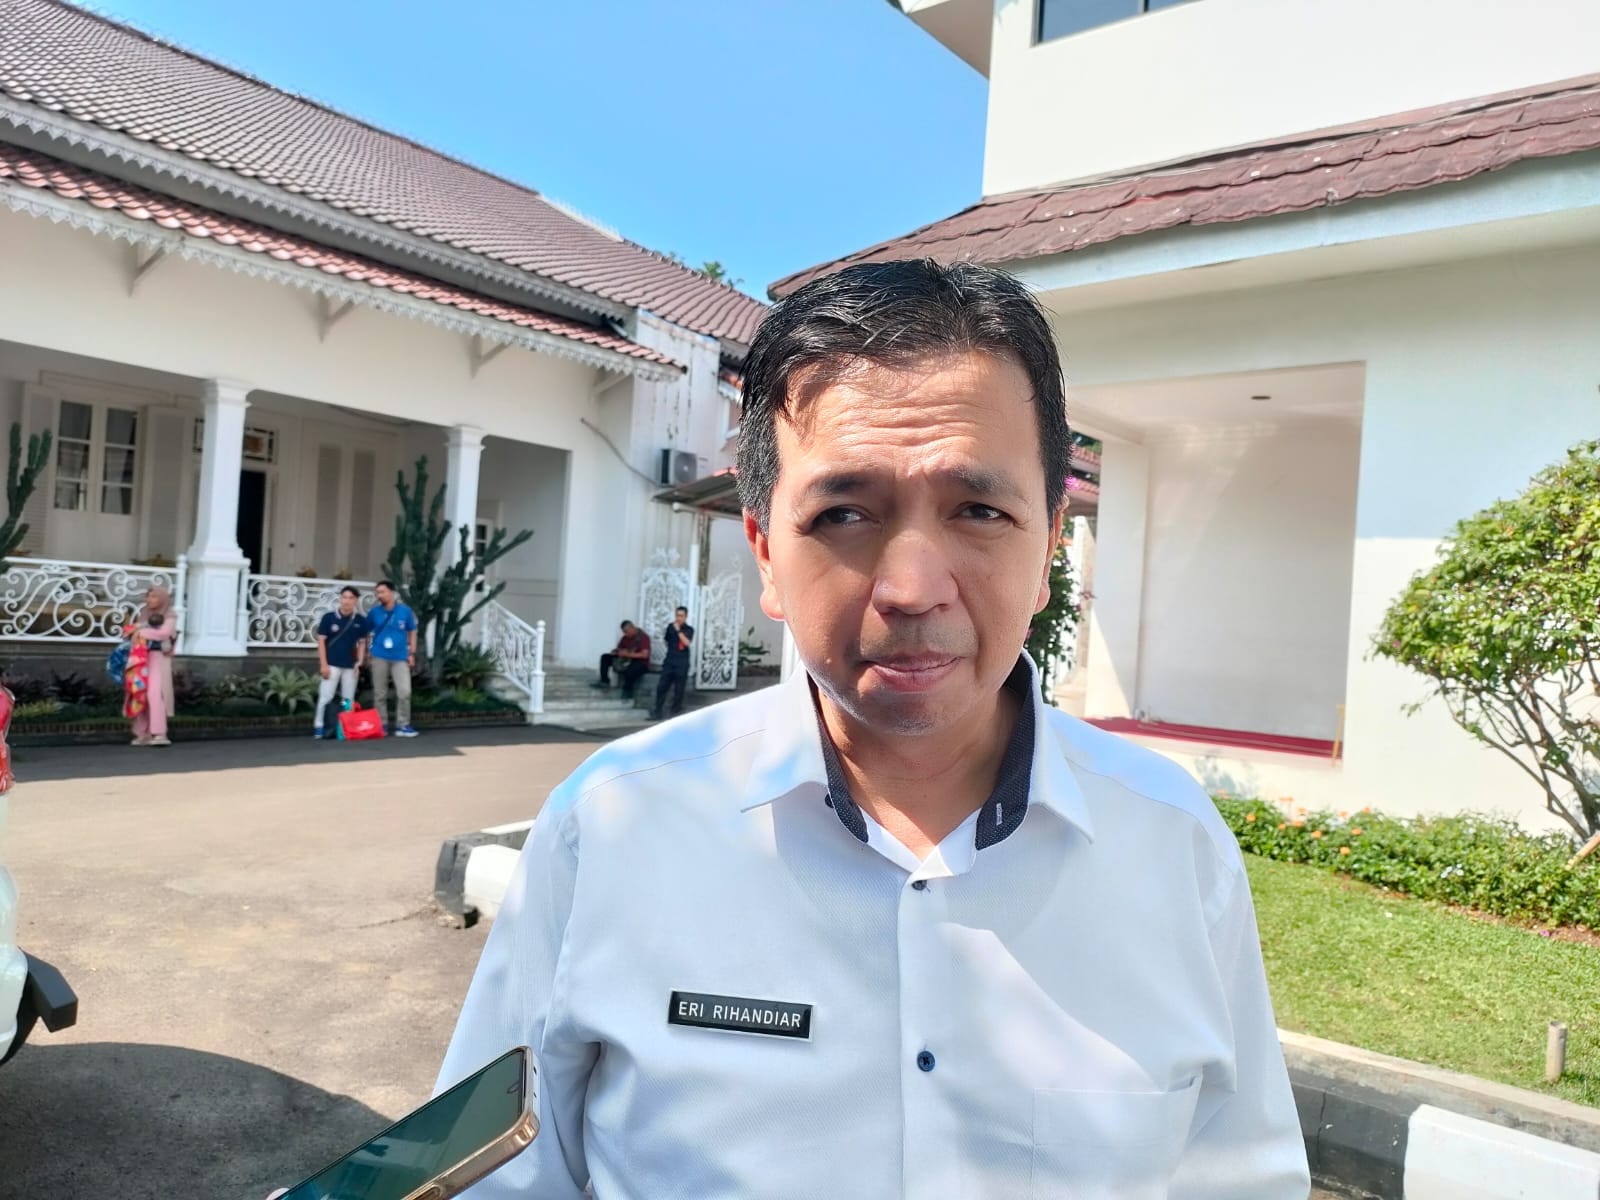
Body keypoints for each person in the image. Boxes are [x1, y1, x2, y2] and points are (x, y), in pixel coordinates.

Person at [436, 260, 1309, 1198]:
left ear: (1050, 543)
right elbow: (491, 1181)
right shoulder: (611, 827)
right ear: (764, 549)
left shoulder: (1172, 845)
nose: (912, 588)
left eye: (979, 510)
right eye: (844, 513)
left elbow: (1240, 1181)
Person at [124, 585, 177, 747]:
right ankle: (143, 733)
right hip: (141, 657)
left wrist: (140, 632)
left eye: (154, 596)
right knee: (140, 692)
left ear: (162, 598)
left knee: (155, 693)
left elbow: (163, 633)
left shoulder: (169, 615)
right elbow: (131, 631)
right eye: (148, 596)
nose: (149, 600)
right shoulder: (145, 613)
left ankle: (160, 733)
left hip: (159, 658)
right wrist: (133, 631)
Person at [314, 586, 369, 739]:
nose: (347, 601)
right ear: (340, 599)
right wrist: (323, 665)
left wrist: (359, 662)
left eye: (351, 598)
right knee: (326, 696)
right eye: (344, 597)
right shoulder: (329, 618)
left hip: (350, 666)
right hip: (331, 664)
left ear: (355, 600)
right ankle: (319, 726)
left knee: (347, 700)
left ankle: (345, 727)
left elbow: (362, 643)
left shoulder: (360, 621)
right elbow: (321, 642)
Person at [366, 580, 419, 738]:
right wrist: (367, 651)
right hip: (379, 655)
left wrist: (412, 652)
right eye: (377, 592)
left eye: (382, 592)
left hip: (400, 657)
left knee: (404, 691)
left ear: (392, 593)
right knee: (379, 693)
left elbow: (412, 631)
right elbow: (366, 631)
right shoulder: (374, 612)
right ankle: (381, 724)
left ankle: (403, 725)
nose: (379, 595)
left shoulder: (405, 611)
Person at [647, 606, 693, 720]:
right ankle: (658, 711)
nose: (678, 618)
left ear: (686, 617)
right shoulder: (670, 627)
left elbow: (686, 642)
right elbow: (667, 641)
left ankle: (675, 711)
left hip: (682, 662)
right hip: (670, 661)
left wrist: (678, 630)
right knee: (662, 686)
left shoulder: (689, 629)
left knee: (679, 689)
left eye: (681, 616)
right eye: (677, 615)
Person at [590, 620, 650, 700]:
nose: (625, 634)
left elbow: (644, 655)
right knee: (605, 657)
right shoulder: (625, 638)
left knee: (631, 669)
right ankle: (604, 681)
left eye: (627, 632)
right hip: (625, 660)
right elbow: (619, 648)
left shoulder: (643, 637)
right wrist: (616, 652)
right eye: (624, 632)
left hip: (640, 662)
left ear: (632, 628)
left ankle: (628, 690)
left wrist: (628, 654)